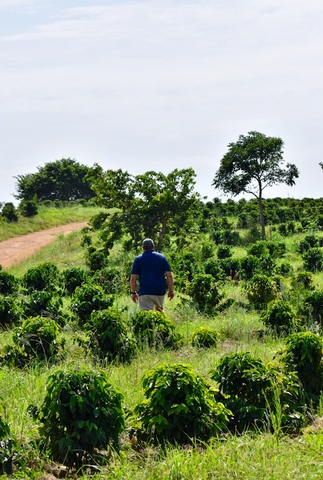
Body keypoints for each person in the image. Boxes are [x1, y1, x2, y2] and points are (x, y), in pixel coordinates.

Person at [130, 238, 174, 310]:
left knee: (146, 316)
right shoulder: (162, 257)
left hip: (145, 292)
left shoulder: (138, 259)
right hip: (159, 291)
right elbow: (169, 275)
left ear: (143, 248)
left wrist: (133, 293)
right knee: (159, 315)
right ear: (153, 246)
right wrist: (171, 290)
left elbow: (133, 278)